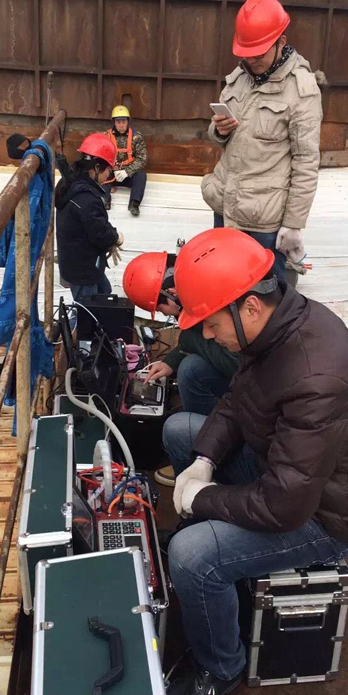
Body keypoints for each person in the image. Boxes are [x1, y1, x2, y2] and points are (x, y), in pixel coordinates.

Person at [162, 228, 348, 695]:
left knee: (192, 556)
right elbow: (236, 401)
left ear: (249, 306)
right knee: (183, 432)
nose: (208, 336)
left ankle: (220, 668)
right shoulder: (277, 326)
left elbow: (285, 506)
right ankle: (213, 550)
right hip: (290, 470)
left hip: (327, 515)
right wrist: (203, 460)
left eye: (211, 323)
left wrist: (203, 499)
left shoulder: (317, 373)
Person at [203, 0, 324, 282]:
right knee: (226, 283)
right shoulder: (239, 77)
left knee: (265, 295)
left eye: (259, 53)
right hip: (226, 205)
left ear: (281, 42)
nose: (252, 60)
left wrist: (293, 224)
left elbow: (306, 162)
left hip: (262, 222)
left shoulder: (301, 90)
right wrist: (219, 131)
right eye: (246, 53)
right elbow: (218, 136)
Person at [122, 251, 238, 487]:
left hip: (256, 405)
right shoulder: (205, 286)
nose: (164, 314)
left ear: (172, 293)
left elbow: (234, 363)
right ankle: (205, 443)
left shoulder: (222, 302)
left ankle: (205, 465)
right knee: (189, 368)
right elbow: (197, 339)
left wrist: (188, 340)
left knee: (179, 412)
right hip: (250, 390)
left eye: (160, 308)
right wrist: (170, 362)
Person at [55, 133, 124, 301]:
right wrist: (115, 237)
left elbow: (93, 223)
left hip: (79, 260)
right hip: (83, 268)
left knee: (105, 292)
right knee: (88, 309)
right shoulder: (86, 198)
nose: (108, 176)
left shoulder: (71, 184)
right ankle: (79, 319)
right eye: (108, 170)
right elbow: (99, 232)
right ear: (97, 168)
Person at [102, 105, 148, 216]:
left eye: (124, 122)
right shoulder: (106, 136)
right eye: (118, 122)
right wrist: (111, 168)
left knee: (141, 176)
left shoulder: (136, 137)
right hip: (112, 174)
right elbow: (101, 156)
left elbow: (142, 158)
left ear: (128, 122)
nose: (121, 125)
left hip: (128, 174)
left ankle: (134, 203)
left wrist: (127, 171)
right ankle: (105, 200)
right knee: (101, 172)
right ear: (114, 122)